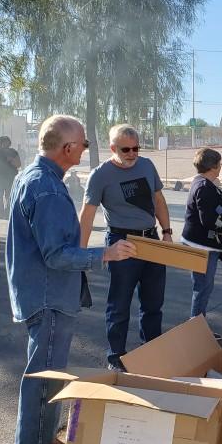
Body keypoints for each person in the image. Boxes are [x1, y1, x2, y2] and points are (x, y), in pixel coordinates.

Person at [5, 115, 135, 444]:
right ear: (67, 149)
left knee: (48, 374)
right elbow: (56, 254)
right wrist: (104, 254)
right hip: (48, 296)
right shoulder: (46, 189)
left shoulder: (34, 178)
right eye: (83, 144)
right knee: (44, 378)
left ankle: (40, 441)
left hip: (41, 293)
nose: (85, 150)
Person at [79, 125, 172, 371]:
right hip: (122, 242)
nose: (132, 154)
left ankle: (151, 353)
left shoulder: (147, 165)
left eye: (136, 148)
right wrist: (80, 252)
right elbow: (87, 215)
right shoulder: (100, 175)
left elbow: (159, 200)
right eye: (126, 149)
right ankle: (116, 358)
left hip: (151, 239)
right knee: (119, 305)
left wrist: (167, 233)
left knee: (153, 303)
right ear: (113, 148)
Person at [182, 148, 222, 318]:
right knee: (202, 288)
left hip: (206, 246)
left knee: (204, 287)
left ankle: (198, 324)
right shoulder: (203, 187)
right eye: (220, 164)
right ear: (214, 167)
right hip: (202, 248)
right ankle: (196, 327)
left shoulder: (205, 184)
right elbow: (209, 220)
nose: (221, 167)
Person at [0, 136, 21, 219]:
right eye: (3, 142)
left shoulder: (13, 152)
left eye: (6, 142)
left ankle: (8, 214)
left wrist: (11, 160)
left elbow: (18, 164)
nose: (4, 144)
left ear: (9, 143)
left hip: (10, 178)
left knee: (9, 196)